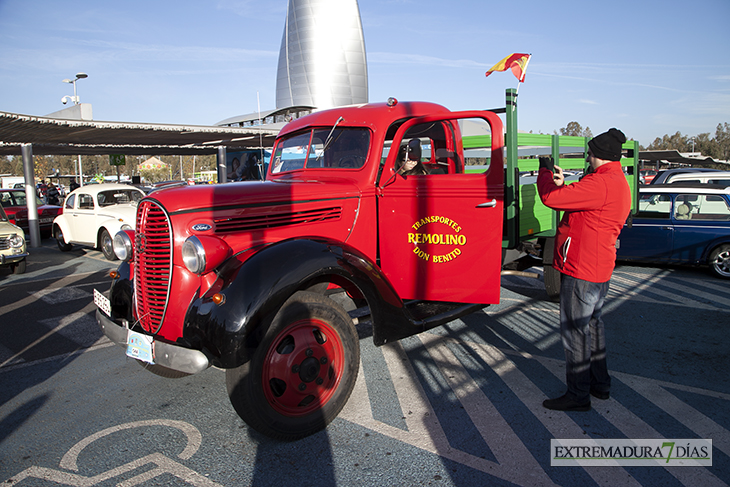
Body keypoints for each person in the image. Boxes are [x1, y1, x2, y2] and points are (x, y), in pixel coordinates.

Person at [536, 128, 631, 412]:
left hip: (581, 268)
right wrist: (565, 183)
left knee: (574, 331)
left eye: (589, 153)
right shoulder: (615, 180)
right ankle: (600, 384)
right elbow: (582, 197)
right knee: (593, 325)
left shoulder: (601, 184)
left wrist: (544, 174)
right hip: (599, 267)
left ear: (597, 156)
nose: (587, 158)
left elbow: (551, 199)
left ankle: (578, 394)